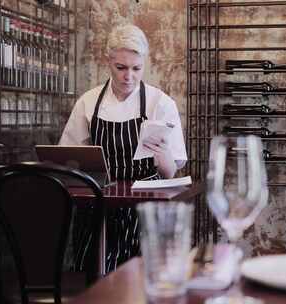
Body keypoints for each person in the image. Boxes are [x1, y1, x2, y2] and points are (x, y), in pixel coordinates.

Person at [59, 24, 187, 272]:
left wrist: (163, 154)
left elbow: (171, 174)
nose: (129, 76)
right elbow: (68, 159)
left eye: (136, 68)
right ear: (108, 61)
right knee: (95, 280)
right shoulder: (88, 102)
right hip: (98, 207)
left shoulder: (160, 103)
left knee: (141, 281)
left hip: (145, 209)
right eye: (121, 68)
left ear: (144, 64)